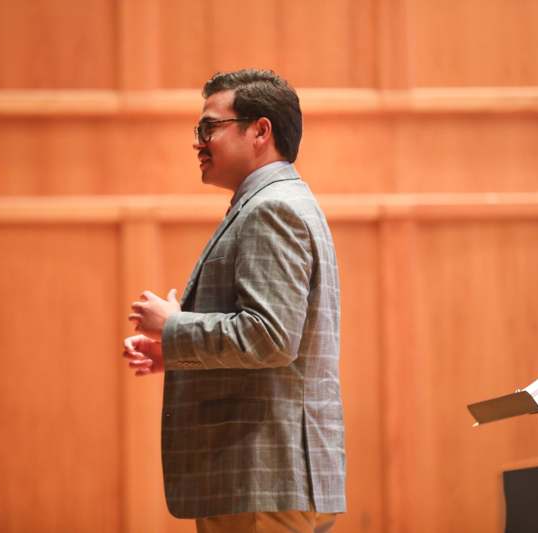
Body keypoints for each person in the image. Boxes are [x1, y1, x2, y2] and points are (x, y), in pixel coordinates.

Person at [122, 69, 345, 533]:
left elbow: (270, 338)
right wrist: (177, 353)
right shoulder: (275, 202)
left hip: (262, 478)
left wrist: (174, 326)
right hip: (268, 479)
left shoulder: (271, 209)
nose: (199, 143)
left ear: (260, 131)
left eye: (209, 128)